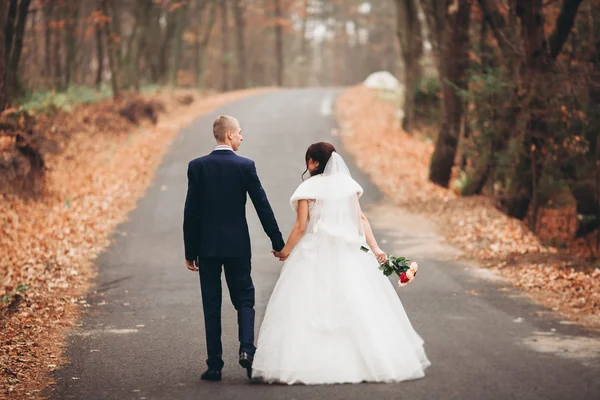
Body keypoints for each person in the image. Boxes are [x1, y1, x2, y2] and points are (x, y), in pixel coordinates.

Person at [252, 142, 430, 384]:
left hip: (315, 250)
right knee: (357, 299)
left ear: (314, 162)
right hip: (348, 250)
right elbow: (361, 218)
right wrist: (376, 248)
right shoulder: (347, 187)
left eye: (309, 159)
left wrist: (285, 251)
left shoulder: (307, 188)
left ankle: (308, 363)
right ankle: (368, 362)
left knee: (306, 302)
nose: (307, 164)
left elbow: (301, 227)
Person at [183, 115, 285, 381]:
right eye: (239, 132)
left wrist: (189, 251)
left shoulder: (198, 167)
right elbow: (262, 206)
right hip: (237, 247)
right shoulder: (245, 166)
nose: (242, 136)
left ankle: (214, 365)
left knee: (211, 304)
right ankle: (247, 351)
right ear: (228, 135)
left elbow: (190, 212)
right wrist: (277, 242)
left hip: (207, 249)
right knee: (245, 299)